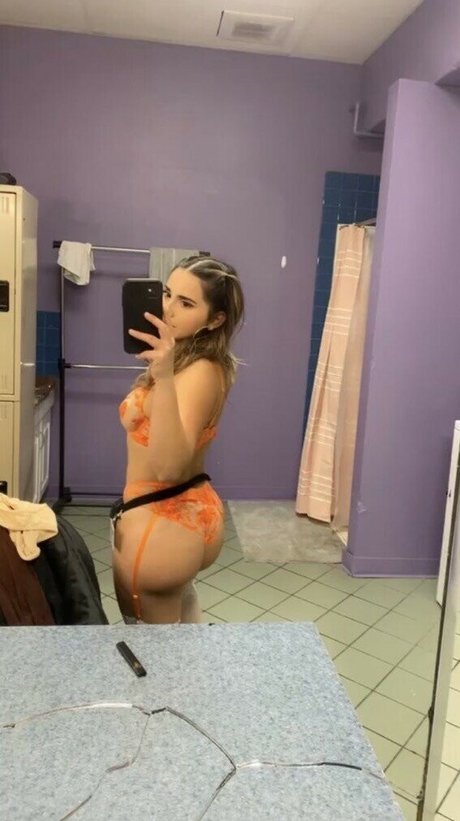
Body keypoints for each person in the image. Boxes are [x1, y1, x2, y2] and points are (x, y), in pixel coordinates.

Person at [111, 255, 244, 624]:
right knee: (183, 640)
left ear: (215, 319)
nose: (167, 309)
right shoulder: (192, 361)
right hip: (181, 515)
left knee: (156, 653)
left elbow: (169, 468)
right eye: (167, 293)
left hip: (164, 524)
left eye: (186, 303)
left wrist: (165, 376)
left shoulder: (198, 371)